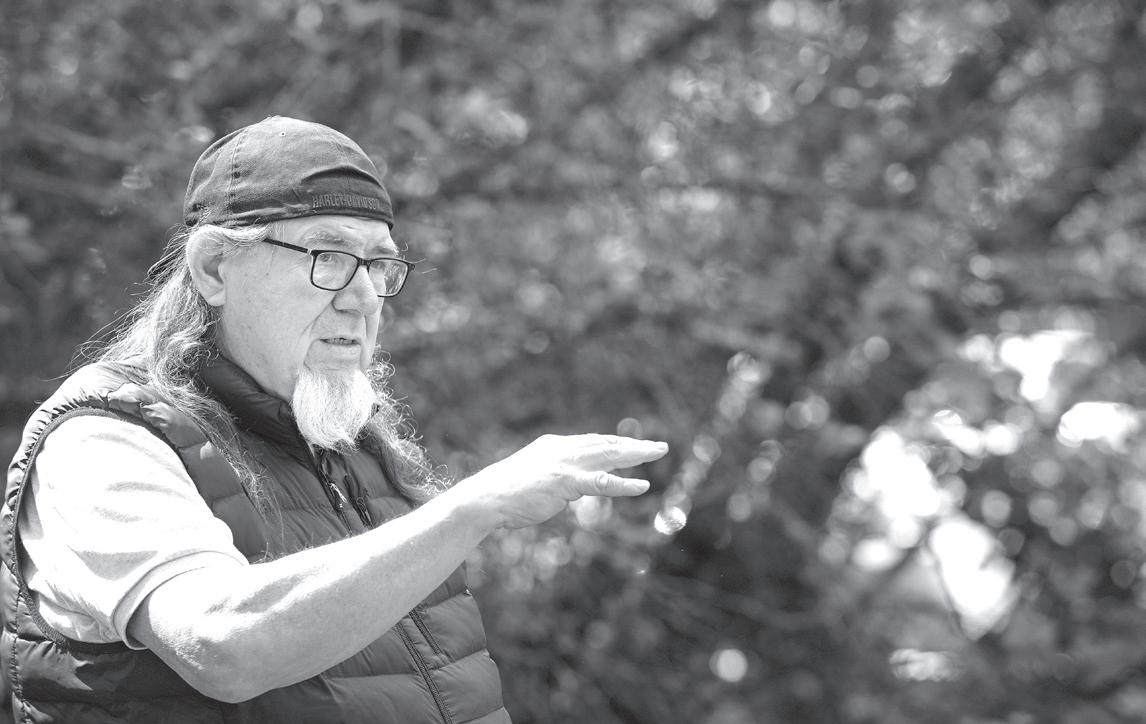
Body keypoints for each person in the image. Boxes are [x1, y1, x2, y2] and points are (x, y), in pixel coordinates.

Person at [2, 116, 668, 723]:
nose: (364, 296)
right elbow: (222, 647)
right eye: (329, 258)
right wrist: (471, 508)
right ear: (214, 268)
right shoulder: (104, 439)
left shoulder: (358, 445)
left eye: (379, 264)